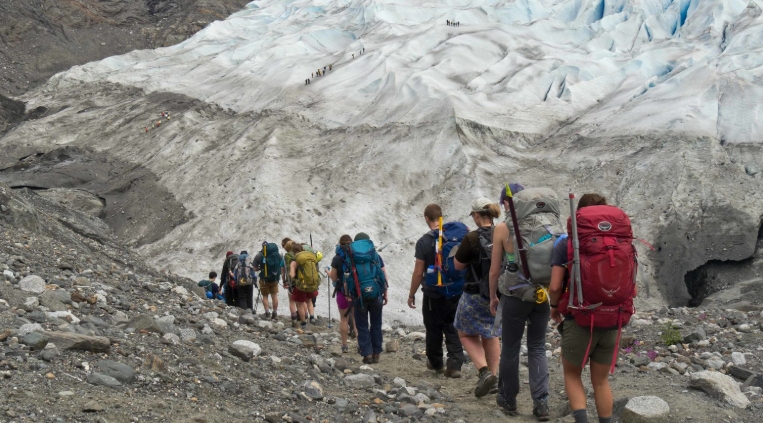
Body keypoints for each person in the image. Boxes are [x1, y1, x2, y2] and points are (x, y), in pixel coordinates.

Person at [549, 194, 622, 423]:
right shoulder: (619, 242)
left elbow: (554, 285)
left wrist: (553, 307)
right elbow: (634, 289)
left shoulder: (566, 243)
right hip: (613, 319)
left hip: (579, 318)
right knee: (601, 381)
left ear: (579, 215)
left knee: (572, 374)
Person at [489, 183, 550, 421]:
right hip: (540, 295)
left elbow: (495, 270)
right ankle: (542, 402)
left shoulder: (503, 229)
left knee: (511, 348)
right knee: (537, 347)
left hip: (514, 296)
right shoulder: (544, 225)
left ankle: (508, 399)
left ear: (506, 202)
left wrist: (494, 296)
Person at [408, 204, 465, 378]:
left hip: (433, 292)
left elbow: (419, 272)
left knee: (433, 327)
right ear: (441, 217)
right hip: (456, 290)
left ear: (426, 218)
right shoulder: (456, 237)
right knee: (452, 326)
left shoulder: (424, 241)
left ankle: (436, 363)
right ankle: (455, 365)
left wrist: (412, 293)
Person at [453, 198, 502, 397]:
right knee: (490, 333)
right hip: (499, 293)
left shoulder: (471, 238)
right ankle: (494, 377)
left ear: (476, 215)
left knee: (465, 333)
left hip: (475, 293)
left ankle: (484, 371)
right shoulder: (504, 233)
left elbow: (458, 266)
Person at [348, 232, 388, 364]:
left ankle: (367, 355)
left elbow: (347, 277)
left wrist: (349, 294)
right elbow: (383, 274)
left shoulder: (352, 257)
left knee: (362, 325)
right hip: (376, 294)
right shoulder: (375, 255)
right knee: (376, 323)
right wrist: (385, 293)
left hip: (359, 296)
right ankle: (376, 353)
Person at [330, 235, 360, 353]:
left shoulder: (337, 258)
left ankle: (344, 345)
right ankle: (360, 344)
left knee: (343, 319)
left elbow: (333, 277)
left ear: (340, 243)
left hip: (342, 292)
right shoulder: (356, 255)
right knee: (357, 319)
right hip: (355, 293)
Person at [289, 243, 319, 328]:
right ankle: (312, 316)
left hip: (301, 286)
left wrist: (294, 278)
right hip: (311, 284)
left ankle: (303, 323)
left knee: (300, 304)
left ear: (294, 252)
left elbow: (292, 274)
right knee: (309, 301)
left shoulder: (295, 261)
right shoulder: (310, 257)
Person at [253, 242, 283, 319]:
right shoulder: (277, 254)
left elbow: (254, 268)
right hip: (274, 279)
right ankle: (275, 313)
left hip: (264, 279)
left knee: (265, 296)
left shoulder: (259, 255)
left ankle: (267, 313)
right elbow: (281, 265)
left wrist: (261, 268)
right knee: (274, 296)